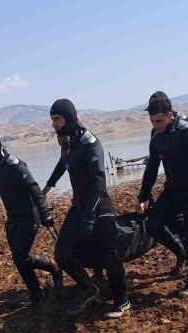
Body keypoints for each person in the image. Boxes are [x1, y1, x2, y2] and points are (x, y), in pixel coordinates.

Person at [42, 99, 130, 319]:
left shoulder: (90, 144)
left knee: (109, 256)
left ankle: (123, 300)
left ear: (69, 118)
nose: (53, 124)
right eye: (52, 119)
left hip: (99, 209)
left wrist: (90, 218)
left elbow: (99, 183)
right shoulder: (68, 144)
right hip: (79, 208)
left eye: (57, 119)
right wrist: (48, 186)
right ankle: (88, 287)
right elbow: (63, 163)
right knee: (62, 253)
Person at [137, 91, 188, 296]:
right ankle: (181, 253)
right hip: (172, 189)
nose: (156, 125)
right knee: (152, 224)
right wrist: (143, 196)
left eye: (160, 121)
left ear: (170, 115)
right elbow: (152, 167)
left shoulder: (185, 129)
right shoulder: (155, 135)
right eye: (152, 121)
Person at [0, 131, 62, 308]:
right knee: (19, 258)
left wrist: (45, 213)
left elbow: (34, 189)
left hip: (29, 217)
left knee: (20, 256)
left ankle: (43, 282)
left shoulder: (15, 165)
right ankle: (40, 285)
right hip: (13, 220)